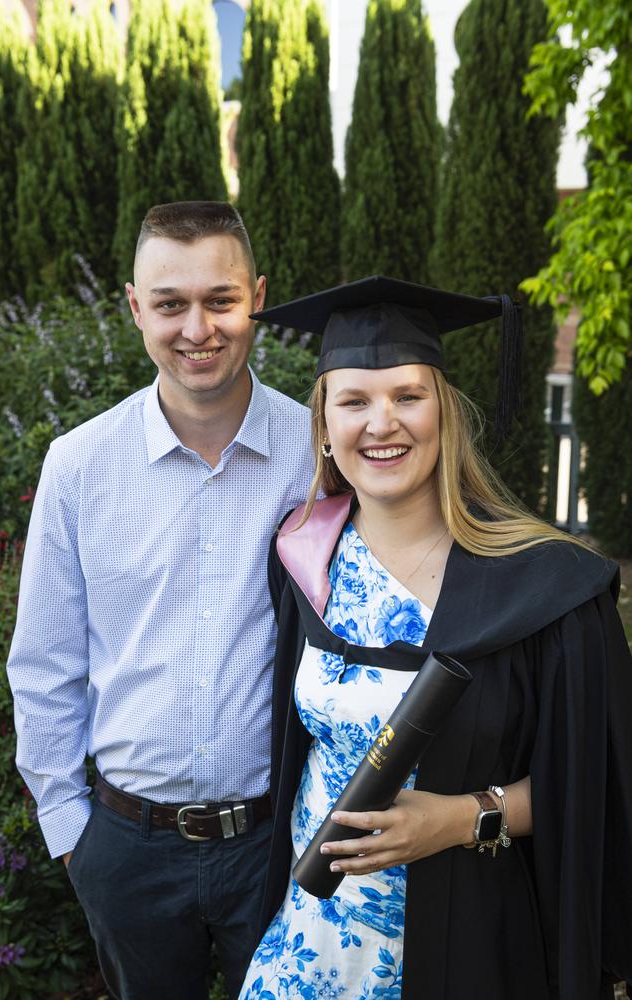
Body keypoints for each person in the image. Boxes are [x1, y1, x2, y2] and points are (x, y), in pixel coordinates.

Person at [239, 276, 632, 1000]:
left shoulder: (547, 590)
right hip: (314, 937)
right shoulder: (303, 559)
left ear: (444, 413)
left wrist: (460, 818)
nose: (381, 423)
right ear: (323, 424)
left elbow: (600, 782)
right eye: (353, 401)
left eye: (408, 397)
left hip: (475, 940)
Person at [6, 201, 314, 1000]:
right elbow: (43, 666)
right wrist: (75, 838)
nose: (197, 328)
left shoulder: (318, 456)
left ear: (259, 298)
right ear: (137, 309)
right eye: (170, 304)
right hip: (128, 849)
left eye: (221, 299)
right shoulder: (78, 467)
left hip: (276, 840)